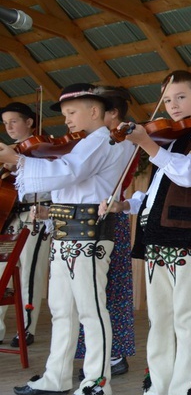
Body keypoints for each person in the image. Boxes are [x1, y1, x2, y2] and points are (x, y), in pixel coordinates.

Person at [101, 70, 191, 395]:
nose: (172, 105)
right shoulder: (168, 141)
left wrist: (148, 145)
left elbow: (189, 176)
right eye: (168, 99)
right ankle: (155, 393)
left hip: (187, 238)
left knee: (187, 321)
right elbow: (158, 192)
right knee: (159, 322)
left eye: (181, 98)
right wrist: (127, 205)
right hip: (155, 239)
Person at [1, 84, 131, 395]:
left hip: (88, 232)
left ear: (95, 112)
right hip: (65, 230)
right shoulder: (86, 143)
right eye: (65, 115)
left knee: (91, 309)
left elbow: (69, 172)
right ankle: (56, 375)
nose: (68, 121)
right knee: (62, 309)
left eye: (72, 113)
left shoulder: (102, 140)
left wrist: (18, 161)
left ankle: (97, 382)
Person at [75, 87, 137, 379]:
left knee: (113, 285)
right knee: (90, 289)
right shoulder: (95, 142)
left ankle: (115, 353)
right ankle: (94, 351)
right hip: (89, 217)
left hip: (112, 215)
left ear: (112, 114)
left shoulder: (124, 143)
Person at [0, 102, 52, 348]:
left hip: (36, 215)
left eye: (14, 121)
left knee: (31, 272)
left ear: (30, 122)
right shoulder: (5, 150)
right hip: (10, 218)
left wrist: (19, 162)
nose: (9, 127)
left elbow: (50, 181)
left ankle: (26, 328)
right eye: (6, 123)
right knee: (1, 274)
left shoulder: (44, 148)